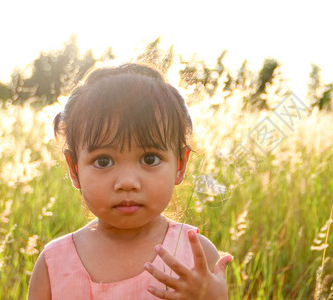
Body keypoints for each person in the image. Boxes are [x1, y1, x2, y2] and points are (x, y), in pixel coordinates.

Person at [28, 63, 232, 299]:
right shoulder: (54, 264)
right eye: (103, 161)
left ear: (180, 165)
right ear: (74, 169)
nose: (127, 182)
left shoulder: (195, 255)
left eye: (150, 158)